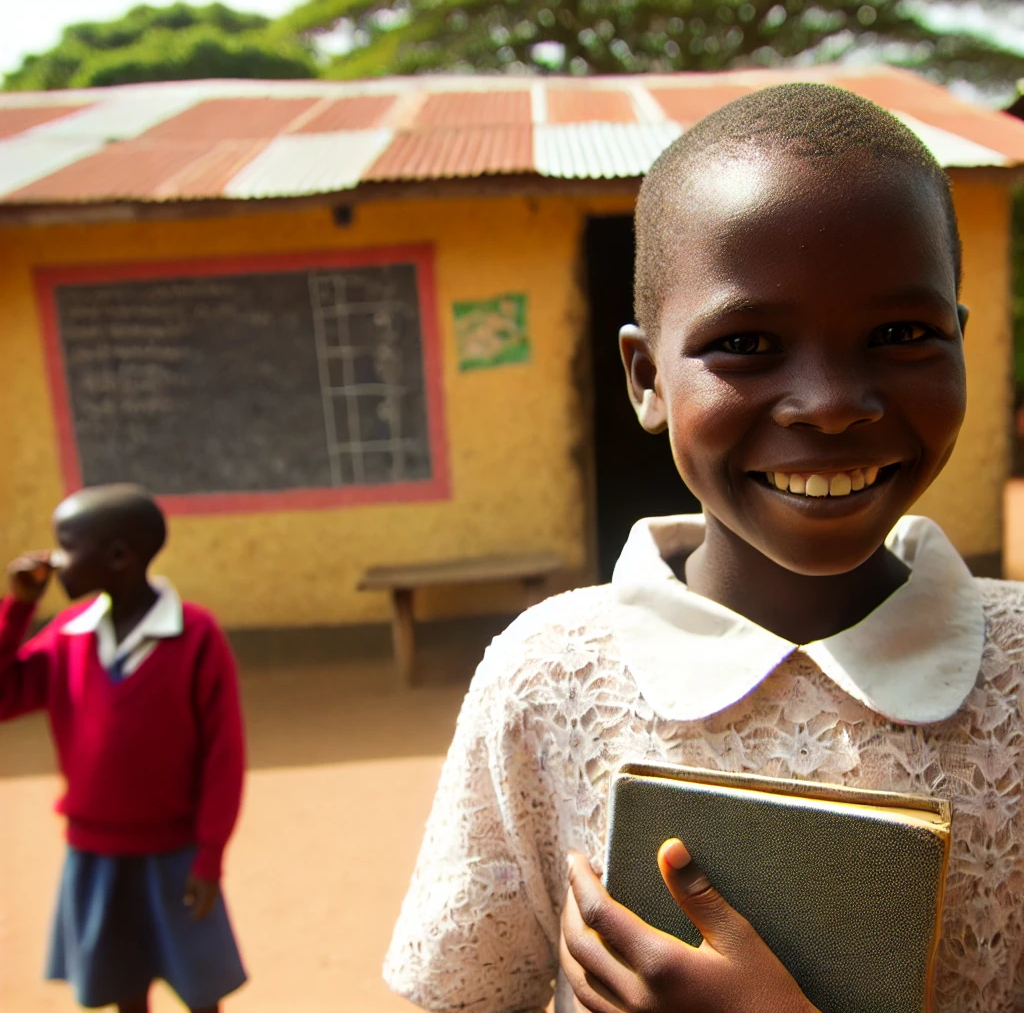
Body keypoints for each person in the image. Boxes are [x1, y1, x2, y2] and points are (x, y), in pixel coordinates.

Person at [383, 82, 1024, 1013]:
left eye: (900, 334)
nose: (832, 401)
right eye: (749, 342)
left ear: (962, 343)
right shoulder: (548, 676)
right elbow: (460, 995)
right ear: (646, 378)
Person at [0, 484, 247, 1013]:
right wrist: (17, 610)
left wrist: (209, 856)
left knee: (200, 988)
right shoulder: (69, 634)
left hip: (178, 853)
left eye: (66, 545)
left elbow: (224, 756)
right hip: (97, 853)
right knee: (122, 986)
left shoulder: (195, 636)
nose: (53, 560)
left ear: (118, 556)